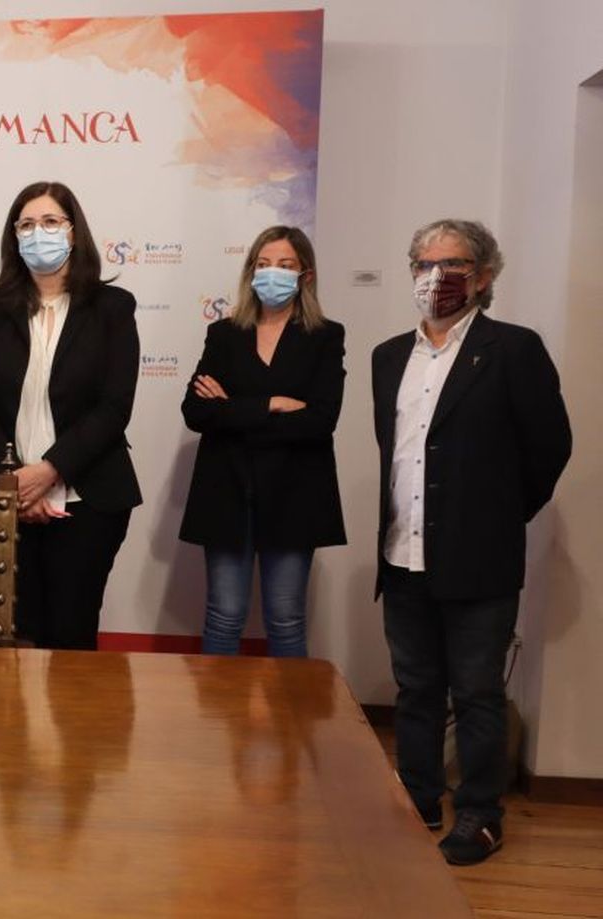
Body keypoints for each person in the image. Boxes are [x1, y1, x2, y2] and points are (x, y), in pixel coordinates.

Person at [373, 219, 570, 865]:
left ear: (484, 275)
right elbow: (397, 455)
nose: (437, 275)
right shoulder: (388, 356)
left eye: (453, 262)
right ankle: (418, 798)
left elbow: (547, 450)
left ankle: (481, 813)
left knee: (478, 692)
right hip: (404, 554)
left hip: (479, 559)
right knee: (415, 687)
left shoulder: (513, 350)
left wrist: (495, 517)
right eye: (424, 263)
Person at [0, 181, 141, 650]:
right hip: (10, 498)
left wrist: (51, 471)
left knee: (69, 635)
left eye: (49, 222)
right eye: (25, 224)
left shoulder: (112, 309)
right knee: (16, 636)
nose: (37, 233)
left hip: (89, 497)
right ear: (13, 237)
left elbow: (114, 406)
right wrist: (16, 479)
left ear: (73, 231)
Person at [179, 226, 346, 657]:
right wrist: (271, 403)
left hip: (295, 493)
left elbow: (320, 420)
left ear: (305, 275)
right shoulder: (224, 334)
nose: (273, 273)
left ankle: (290, 725)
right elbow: (196, 412)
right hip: (227, 490)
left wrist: (232, 408)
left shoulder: (326, 336)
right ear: (251, 271)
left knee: (286, 618)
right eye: (264, 264)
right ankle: (218, 722)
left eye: (285, 265)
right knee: (223, 614)